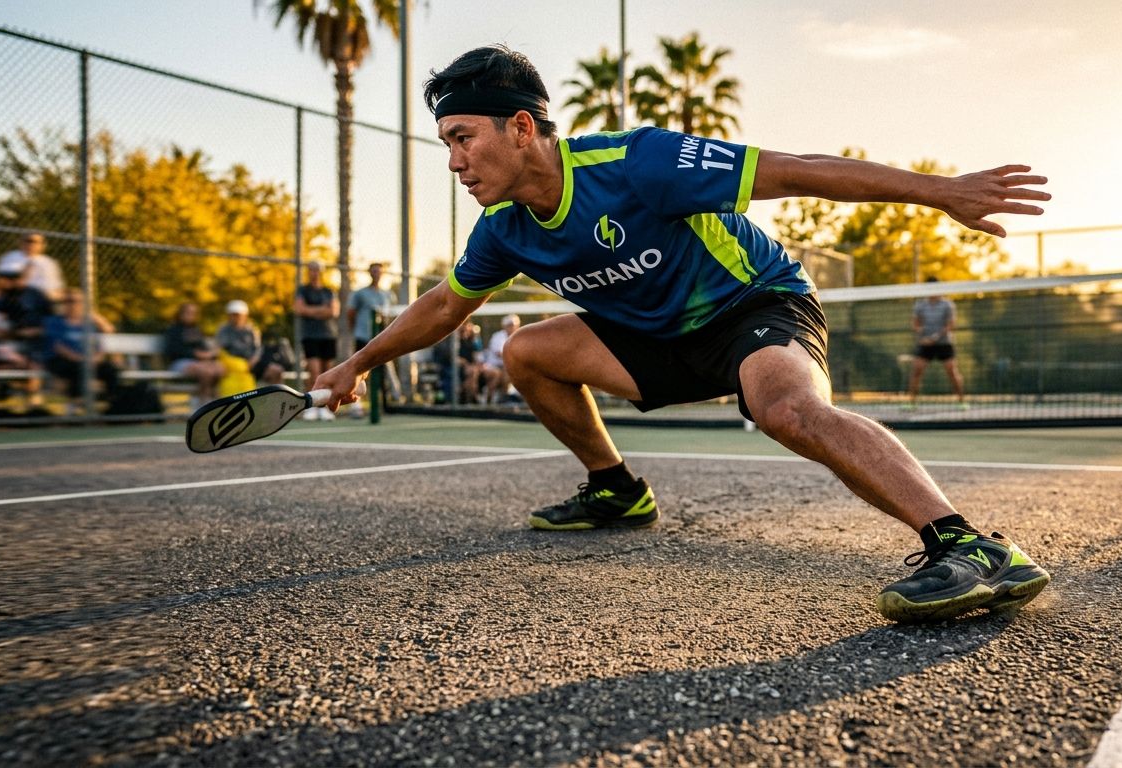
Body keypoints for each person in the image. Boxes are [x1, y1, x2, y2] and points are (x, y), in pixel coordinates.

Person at [313, 44, 1053, 624]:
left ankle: (968, 545)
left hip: (753, 308)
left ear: (522, 127)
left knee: (786, 410)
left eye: (463, 138)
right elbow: (445, 307)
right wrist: (358, 363)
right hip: (654, 339)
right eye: (446, 143)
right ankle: (616, 491)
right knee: (527, 352)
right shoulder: (503, 230)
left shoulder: (637, 163)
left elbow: (797, 172)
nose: (454, 161)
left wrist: (942, 191)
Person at [0, 251, 54, 406]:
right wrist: (10, 333)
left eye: (13, 277)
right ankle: (5, 390)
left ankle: (33, 403)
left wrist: (39, 330)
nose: (8, 281)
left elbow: (51, 320)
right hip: (13, 342)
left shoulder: (36, 295)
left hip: (36, 342)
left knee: (33, 361)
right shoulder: (3, 298)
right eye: (6, 277)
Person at [43, 287, 119, 411]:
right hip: (62, 360)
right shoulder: (54, 322)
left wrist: (96, 358)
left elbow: (99, 346)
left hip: (88, 360)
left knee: (110, 370)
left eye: (77, 301)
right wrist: (82, 359)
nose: (73, 305)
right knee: (78, 368)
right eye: (68, 301)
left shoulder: (88, 323)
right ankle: (76, 406)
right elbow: (59, 347)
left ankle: (112, 404)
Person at [905, 277, 966, 410]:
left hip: (944, 343)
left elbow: (950, 325)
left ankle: (961, 401)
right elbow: (915, 323)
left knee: (952, 371)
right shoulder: (920, 305)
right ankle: (911, 402)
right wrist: (922, 334)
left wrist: (935, 337)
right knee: (916, 370)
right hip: (925, 344)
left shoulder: (947, 305)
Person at [345, 262, 396, 417]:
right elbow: (351, 314)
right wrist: (358, 329)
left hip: (383, 340)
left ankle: (384, 405)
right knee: (359, 371)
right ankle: (356, 405)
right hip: (363, 337)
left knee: (382, 373)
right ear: (369, 273)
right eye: (373, 271)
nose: (376, 274)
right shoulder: (359, 294)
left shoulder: (388, 295)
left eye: (379, 271)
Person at [295, 260, 339, 420]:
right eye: (312, 270)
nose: (315, 273)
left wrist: (312, 310)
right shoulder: (303, 290)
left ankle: (325, 407)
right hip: (310, 336)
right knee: (314, 372)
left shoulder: (328, 291)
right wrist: (322, 309)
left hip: (328, 335)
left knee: (328, 373)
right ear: (309, 271)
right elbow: (300, 309)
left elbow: (333, 311)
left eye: (317, 270)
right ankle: (310, 407)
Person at [163, 302, 223, 404]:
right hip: (180, 362)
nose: (191, 315)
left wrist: (210, 354)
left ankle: (215, 400)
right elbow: (172, 350)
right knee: (206, 372)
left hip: (200, 363)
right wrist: (195, 354)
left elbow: (203, 348)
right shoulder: (173, 330)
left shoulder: (196, 330)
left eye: (194, 313)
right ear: (180, 314)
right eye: (188, 312)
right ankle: (204, 402)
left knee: (220, 368)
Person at [215, 300, 284, 386]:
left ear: (245, 315)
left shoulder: (252, 330)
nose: (236, 317)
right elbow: (220, 348)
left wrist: (254, 360)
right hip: (232, 365)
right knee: (214, 371)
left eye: (238, 315)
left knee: (276, 370)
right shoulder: (224, 330)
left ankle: (275, 397)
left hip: (251, 363)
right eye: (233, 315)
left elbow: (258, 348)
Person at [0, 232, 64, 304]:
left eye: (36, 242)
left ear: (43, 245)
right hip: (16, 296)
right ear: (21, 242)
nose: (31, 244)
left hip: (44, 297)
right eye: (28, 241)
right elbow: (2, 282)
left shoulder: (49, 263)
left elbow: (57, 288)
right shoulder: (11, 257)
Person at [480, 313, 519, 404]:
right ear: (504, 326)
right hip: (492, 366)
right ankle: (489, 401)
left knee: (510, 370)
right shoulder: (498, 336)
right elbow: (500, 353)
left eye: (513, 325)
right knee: (498, 374)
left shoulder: (518, 336)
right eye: (509, 325)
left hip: (507, 366)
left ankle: (504, 399)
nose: (512, 327)